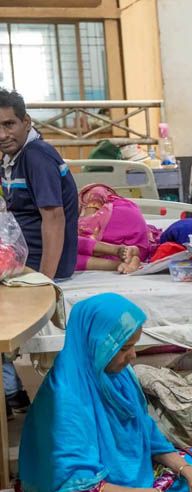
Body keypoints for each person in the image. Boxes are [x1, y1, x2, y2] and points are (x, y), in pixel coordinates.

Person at [19, 294, 192, 492]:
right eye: (123, 348)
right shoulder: (65, 399)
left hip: (125, 483)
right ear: (95, 345)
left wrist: (189, 474)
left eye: (133, 346)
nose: (132, 356)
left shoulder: (119, 377)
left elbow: (150, 437)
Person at [0, 89, 79, 419]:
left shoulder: (36, 156)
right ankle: (12, 392)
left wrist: (45, 283)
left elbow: (54, 217)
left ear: (26, 122)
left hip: (39, 264)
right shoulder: (14, 159)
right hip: (21, 256)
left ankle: (9, 391)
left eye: (9, 124)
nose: (2, 134)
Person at [76, 184, 157, 274]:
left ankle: (119, 251)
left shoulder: (88, 195)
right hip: (137, 244)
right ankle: (122, 262)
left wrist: (81, 227)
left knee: (69, 244)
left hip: (124, 221)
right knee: (66, 258)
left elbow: (97, 193)